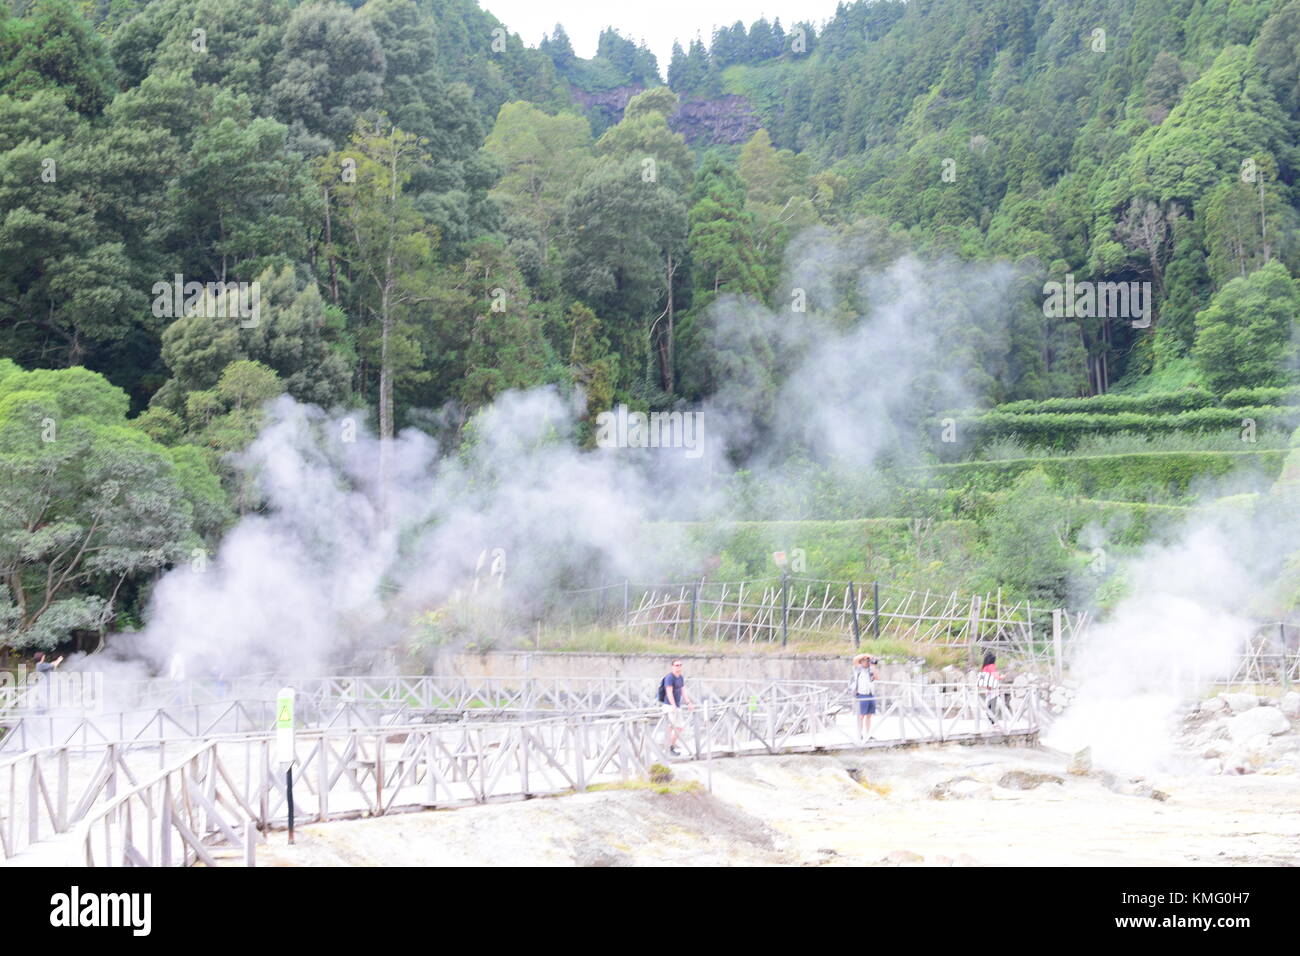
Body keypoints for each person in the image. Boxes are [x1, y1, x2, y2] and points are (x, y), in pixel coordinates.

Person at [658, 659, 692, 755]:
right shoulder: (669, 678)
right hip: (669, 706)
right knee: (669, 728)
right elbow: (669, 692)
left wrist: (688, 702)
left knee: (679, 728)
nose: (679, 667)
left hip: (677, 706)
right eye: (676, 665)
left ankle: (670, 747)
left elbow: (683, 691)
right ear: (672, 666)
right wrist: (673, 706)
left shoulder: (680, 677)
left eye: (680, 665)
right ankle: (668, 749)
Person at [850, 654, 878, 740]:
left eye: (868, 660)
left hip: (870, 694)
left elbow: (876, 678)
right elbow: (855, 659)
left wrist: (874, 667)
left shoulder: (871, 670)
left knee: (869, 716)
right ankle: (860, 734)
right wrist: (866, 655)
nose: (867, 662)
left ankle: (868, 734)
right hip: (861, 694)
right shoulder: (858, 669)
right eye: (865, 660)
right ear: (861, 661)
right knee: (861, 716)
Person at [978, 652, 1005, 724]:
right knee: (994, 705)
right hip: (993, 688)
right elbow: (996, 676)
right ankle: (992, 722)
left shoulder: (984, 667)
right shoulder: (992, 666)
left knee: (989, 704)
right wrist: (1002, 677)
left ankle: (990, 721)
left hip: (987, 688)